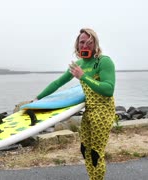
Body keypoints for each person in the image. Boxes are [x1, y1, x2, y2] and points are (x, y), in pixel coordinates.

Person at [34, 28, 116, 180]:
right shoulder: (78, 64)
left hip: (103, 111)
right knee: (85, 150)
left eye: (89, 42)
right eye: (82, 42)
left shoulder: (103, 62)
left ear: (95, 44)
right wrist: (38, 98)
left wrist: (83, 76)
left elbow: (108, 89)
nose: (85, 46)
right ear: (77, 46)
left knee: (96, 152)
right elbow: (58, 82)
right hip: (89, 111)